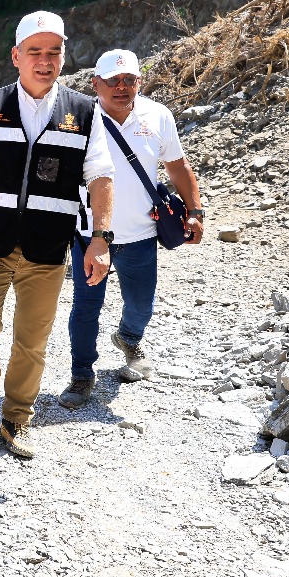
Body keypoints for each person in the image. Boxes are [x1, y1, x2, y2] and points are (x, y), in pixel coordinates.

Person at [0, 11, 116, 459]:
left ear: (63, 56)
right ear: (16, 56)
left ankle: (17, 415)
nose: (45, 60)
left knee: (32, 341)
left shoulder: (84, 112)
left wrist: (100, 238)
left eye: (54, 51)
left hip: (47, 246)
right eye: (35, 51)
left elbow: (100, 175)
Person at [59, 49, 205, 408]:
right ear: (96, 83)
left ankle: (128, 337)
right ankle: (81, 375)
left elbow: (177, 166)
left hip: (141, 234)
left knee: (141, 305)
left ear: (139, 81)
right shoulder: (78, 118)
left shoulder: (158, 115)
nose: (121, 87)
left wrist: (195, 211)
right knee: (85, 307)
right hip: (90, 235)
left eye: (129, 80)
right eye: (113, 80)